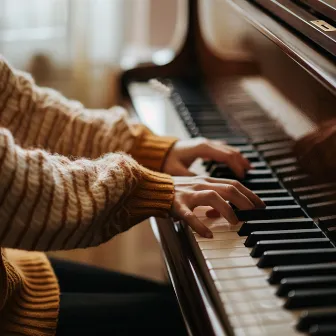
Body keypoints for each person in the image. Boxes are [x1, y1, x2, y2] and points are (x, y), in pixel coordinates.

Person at [0, 55, 265, 336]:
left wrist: (145, 148)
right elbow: (13, 188)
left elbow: (23, 109)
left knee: (183, 306)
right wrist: (142, 188)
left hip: (11, 275)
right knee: (191, 321)